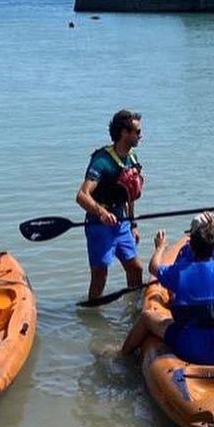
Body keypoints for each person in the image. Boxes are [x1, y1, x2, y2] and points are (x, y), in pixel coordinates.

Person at [121, 213, 214, 364]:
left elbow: (154, 267)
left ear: (191, 246)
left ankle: (121, 355)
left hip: (191, 348)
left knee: (147, 317)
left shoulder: (181, 272)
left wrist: (160, 247)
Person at [76, 109, 145, 301]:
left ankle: (134, 309)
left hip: (122, 222)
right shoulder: (102, 160)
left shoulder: (132, 159)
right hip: (99, 225)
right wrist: (101, 213)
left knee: (135, 268)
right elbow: (82, 196)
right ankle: (92, 314)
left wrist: (133, 224)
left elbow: (130, 193)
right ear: (124, 133)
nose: (141, 136)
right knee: (100, 275)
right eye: (137, 132)